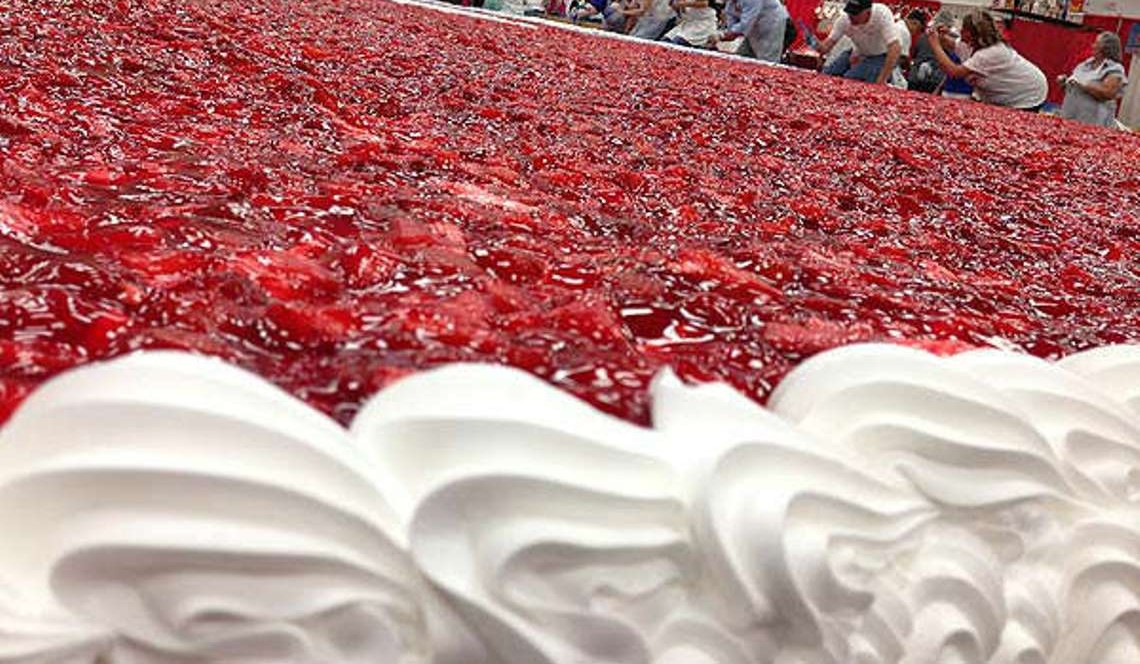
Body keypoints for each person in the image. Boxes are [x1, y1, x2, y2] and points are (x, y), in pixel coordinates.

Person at [927, 10, 1047, 111]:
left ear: (973, 33)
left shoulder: (991, 52)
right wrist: (940, 36)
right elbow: (951, 44)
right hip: (1009, 93)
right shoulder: (973, 44)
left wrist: (935, 44)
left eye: (964, 29)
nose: (960, 31)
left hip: (1027, 95)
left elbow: (954, 72)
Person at [817, 0, 902, 85]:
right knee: (826, 75)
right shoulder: (844, 19)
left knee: (850, 80)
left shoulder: (882, 14)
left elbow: (895, 47)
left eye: (855, 14)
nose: (851, 17)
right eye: (849, 13)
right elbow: (828, 44)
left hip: (882, 55)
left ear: (868, 12)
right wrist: (819, 50)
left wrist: (882, 78)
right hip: (859, 51)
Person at [1059, 31, 1127, 128]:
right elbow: (1075, 89)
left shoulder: (1114, 69)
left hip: (1093, 122)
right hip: (1070, 117)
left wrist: (1083, 84)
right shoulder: (1085, 65)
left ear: (1107, 48)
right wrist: (1065, 83)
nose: (1093, 46)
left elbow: (1108, 93)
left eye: (1097, 43)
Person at [718, 0, 788, 62]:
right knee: (741, 58)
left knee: (767, 61)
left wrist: (722, 35)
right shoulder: (730, 3)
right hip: (753, 27)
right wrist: (726, 34)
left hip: (771, 24)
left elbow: (746, 22)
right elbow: (731, 20)